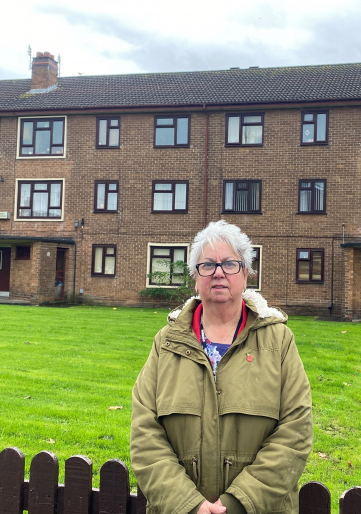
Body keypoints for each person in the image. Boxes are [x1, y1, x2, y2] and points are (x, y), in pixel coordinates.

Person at [131, 220, 313, 514]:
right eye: (207, 265)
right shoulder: (165, 343)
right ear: (195, 277)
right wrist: (189, 505)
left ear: (246, 274)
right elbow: (145, 434)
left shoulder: (279, 341)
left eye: (230, 264)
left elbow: (295, 432)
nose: (218, 272)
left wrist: (237, 504)